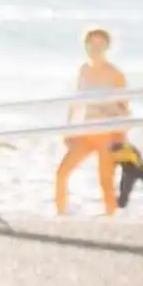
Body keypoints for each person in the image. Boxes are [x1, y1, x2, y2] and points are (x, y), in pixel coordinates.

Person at [57, 28, 129, 216]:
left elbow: (124, 109)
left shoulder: (115, 74)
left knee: (105, 180)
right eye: (91, 44)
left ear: (107, 47)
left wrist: (121, 137)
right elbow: (76, 102)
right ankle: (61, 214)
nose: (95, 48)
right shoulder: (83, 70)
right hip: (86, 133)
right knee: (62, 172)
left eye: (100, 44)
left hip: (107, 134)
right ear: (86, 46)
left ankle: (110, 218)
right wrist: (68, 130)